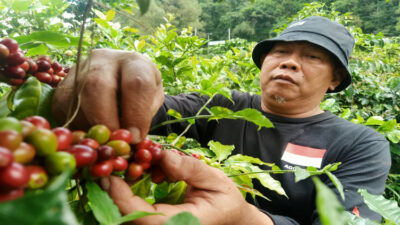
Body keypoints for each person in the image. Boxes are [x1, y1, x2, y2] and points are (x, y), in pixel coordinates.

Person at [52, 16, 391, 225]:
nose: (289, 63)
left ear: (335, 80)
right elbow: (138, 115)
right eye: (280, 52)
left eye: (312, 56)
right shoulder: (223, 106)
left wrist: (244, 219)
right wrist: (98, 90)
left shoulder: (361, 144)